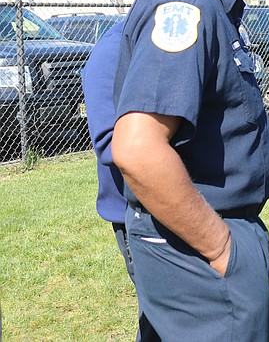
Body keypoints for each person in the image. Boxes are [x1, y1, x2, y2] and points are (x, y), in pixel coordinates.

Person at [111, 0, 269, 339]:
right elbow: (138, 148)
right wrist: (222, 248)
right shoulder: (187, 2)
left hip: (196, 237)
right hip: (197, 242)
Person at [82, 20, 160, 342]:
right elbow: (111, 144)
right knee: (159, 318)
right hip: (137, 213)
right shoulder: (112, 51)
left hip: (182, 201)